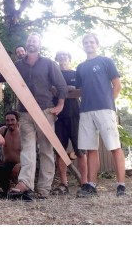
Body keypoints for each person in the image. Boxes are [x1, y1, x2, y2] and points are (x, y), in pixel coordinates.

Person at [0, 33, 68, 199]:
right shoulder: (18, 65)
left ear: (39, 44)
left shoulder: (48, 64)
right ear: (26, 44)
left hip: (45, 111)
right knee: (28, 148)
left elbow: (61, 86)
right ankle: (25, 183)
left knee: (46, 150)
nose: (31, 42)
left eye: (35, 40)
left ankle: (44, 189)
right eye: (29, 40)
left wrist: (60, 105)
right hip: (24, 113)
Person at [75, 33, 126, 197]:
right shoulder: (80, 67)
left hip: (105, 109)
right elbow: (80, 91)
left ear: (97, 44)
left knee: (114, 147)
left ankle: (121, 185)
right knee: (91, 149)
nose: (89, 44)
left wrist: (109, 103)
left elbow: (117, 84)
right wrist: (60, 92)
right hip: (85, 111)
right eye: (86, 42)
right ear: (83, 45)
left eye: (91, 42)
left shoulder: (106, 61)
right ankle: (91, 185)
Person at [51, 51, 87, 195]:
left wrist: (64, 91)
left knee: (80, 150)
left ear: (69, 58)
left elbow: (81, 92)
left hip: (75, 116)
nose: (62, 58)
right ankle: (63, 184)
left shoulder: (76, 73)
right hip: (58, 117)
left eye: (65, 56)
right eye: (59, 56)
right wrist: (68, 90)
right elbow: (53, 92)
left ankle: (85, 183)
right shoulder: (54, 75)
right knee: (60, 151)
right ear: (57, 59)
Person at [0, 111, 22, 194]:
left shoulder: (24, 133)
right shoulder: (3, 130)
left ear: (17, 121)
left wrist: (20, 164)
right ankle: (7, 191)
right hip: (6, 164)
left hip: (21, 165)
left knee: (25, 171)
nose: (10, 123)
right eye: (7, 120)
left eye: (12, 120)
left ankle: (22, 189)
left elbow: (31, 153)